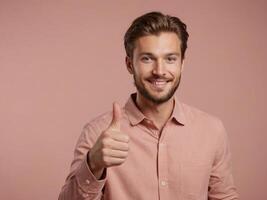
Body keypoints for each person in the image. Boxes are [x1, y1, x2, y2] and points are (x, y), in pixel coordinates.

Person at [58, 11, 239, 200]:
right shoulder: (97, 133)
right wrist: (93, 164)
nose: (159, 71)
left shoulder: (211, 130)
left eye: (170, 59)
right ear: (129, 64)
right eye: (147, 58)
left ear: (182, 64)